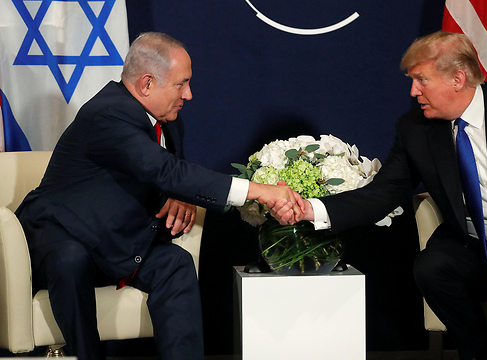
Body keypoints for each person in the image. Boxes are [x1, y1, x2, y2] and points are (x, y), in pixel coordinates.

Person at [269, 31, 487, 360]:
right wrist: (308, 210)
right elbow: (384, 193)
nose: (414, 91)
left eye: (421, 80)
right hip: (476, 244)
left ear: (458, 79)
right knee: (431, 268)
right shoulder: (415, 128)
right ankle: (480, 356)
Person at [16, 32, 303, 360]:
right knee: (70, 260)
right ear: (147, 84)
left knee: (176, 264)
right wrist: (259, 191)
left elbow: (166, 175)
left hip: (121, 241)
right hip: (63, 235)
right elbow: (166, 172)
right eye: (181, 84)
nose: (189, 94)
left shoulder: (168, 121)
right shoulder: (107, 114)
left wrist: (181, 195)